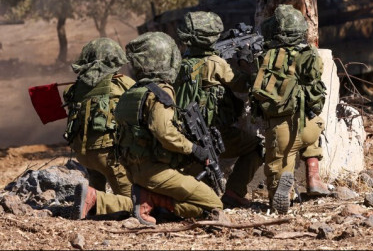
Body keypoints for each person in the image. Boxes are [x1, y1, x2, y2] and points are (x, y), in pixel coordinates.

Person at [114, 32, 223, 225]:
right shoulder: (160, 91)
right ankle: (154, 201)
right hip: (155, 172)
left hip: (134, 170)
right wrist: (194, 149)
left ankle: (151, 199)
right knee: (213, 205)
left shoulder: (131, 92)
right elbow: (164, 132)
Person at [174, 11, 263, 208]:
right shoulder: (215, 63)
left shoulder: (178, 64)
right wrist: (245, 62)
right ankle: (234, 192)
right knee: (257, 147)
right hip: (214, 134)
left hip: (185, 135)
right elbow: (242, 85)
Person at [251, 4, 331, 214]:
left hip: (279, 132)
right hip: (309, 126)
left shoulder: (264, 58)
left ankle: (284, 190)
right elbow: (315, 90)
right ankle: (313, 177)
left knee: (276, 174)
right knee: (314, 121)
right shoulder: (309, 55)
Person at [65, 38, 135, 220]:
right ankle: (98, 201)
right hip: (108, 155)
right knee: (132, 202)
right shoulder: (122, 84)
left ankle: (92, 206)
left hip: (83, 153)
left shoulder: (77, 87)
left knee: (97, 180)